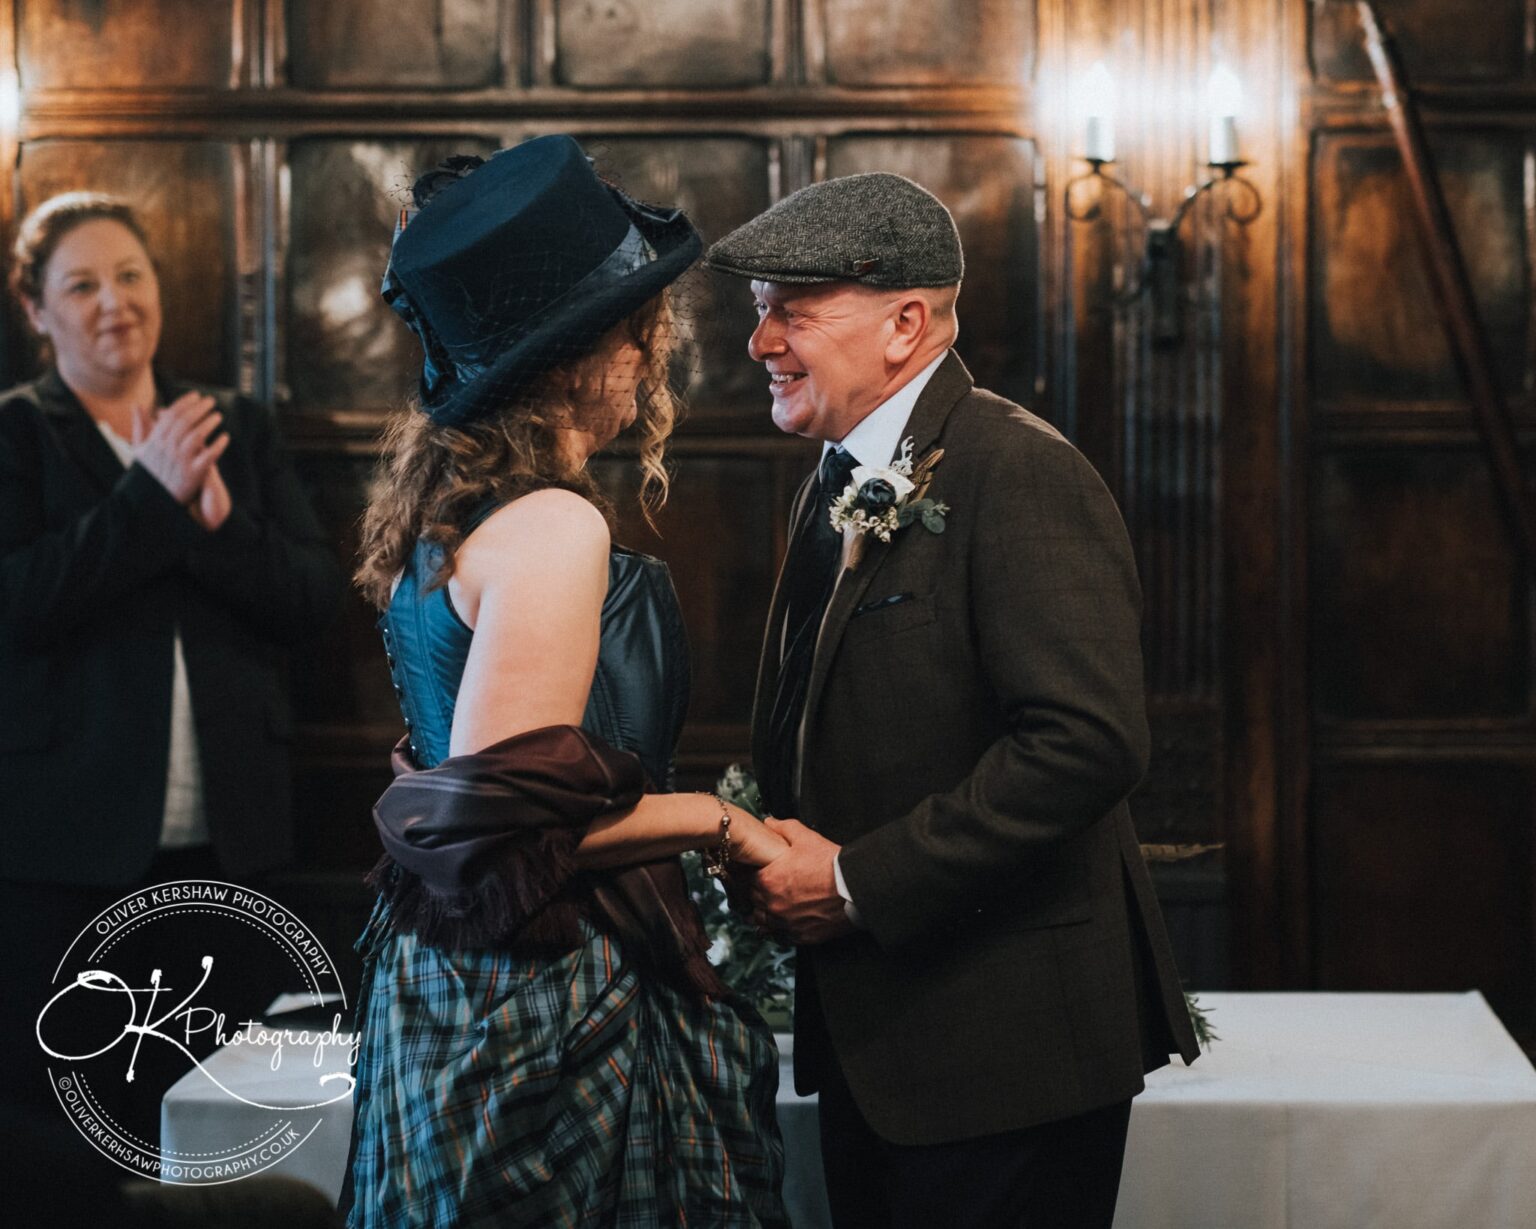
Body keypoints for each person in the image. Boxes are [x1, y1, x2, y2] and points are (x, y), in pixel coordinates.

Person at [705, 173, 1202, 1228]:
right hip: (887, 1044)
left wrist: (849, 878)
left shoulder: (1014, 470)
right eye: (761, 312)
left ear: (906, 324)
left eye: (792, 311)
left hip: (1002, 1051)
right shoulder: (832, 477)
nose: (762, 343)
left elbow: (1087, 741)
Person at [342, 136, 787, 1227]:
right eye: (643, 327)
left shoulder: (454, 508)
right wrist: (720, 827)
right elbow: (508, 839)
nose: (655, 352)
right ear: (585, 349)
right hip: (538, 989)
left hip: (453, 972)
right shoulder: (550, 524)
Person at [0, 192, 346, 1152]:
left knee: (222, 1131)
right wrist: (148, 500)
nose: (113, 301)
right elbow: (18, 600)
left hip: (232, 843)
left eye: (130, 275)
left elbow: (313, 599)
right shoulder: (17, 434)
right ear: (38, 311)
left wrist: (222, 529)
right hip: (65, 852)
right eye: (81, 284)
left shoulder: (233, 423)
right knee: (76, 1135)